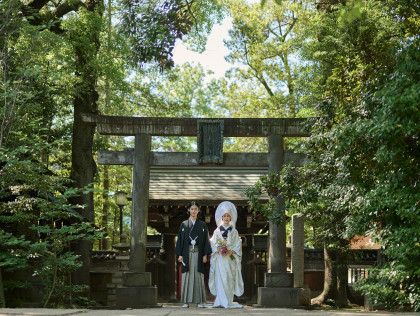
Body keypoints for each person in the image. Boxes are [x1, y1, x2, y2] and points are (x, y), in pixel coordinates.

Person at [175, 201, 212, 308]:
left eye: (196, 209)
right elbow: (180, 240)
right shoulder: (184, 224)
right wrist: (180, 255)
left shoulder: (202, 225)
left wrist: (205, 254)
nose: (194, 211)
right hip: (186, 253)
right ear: (188, 210)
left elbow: (206, 240)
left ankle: (199, 301)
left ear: (199, 210)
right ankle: (186, 301)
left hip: (198, 252)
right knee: (187, 275)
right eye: (192, 209)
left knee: (198, 274)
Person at [208, 201, 244, 308]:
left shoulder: (234, 231)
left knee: (229, 278)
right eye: (224, 216)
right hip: (220, 258)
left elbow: (238, 244)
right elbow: (213, 243)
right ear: (221, 218)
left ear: (231, 218)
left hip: (230, 258)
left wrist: (231, 251)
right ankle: (220, 300)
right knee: (220, 278)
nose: (226, 218)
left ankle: (228, 300)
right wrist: (219, 250)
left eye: (228, 216)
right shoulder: (217, 231)